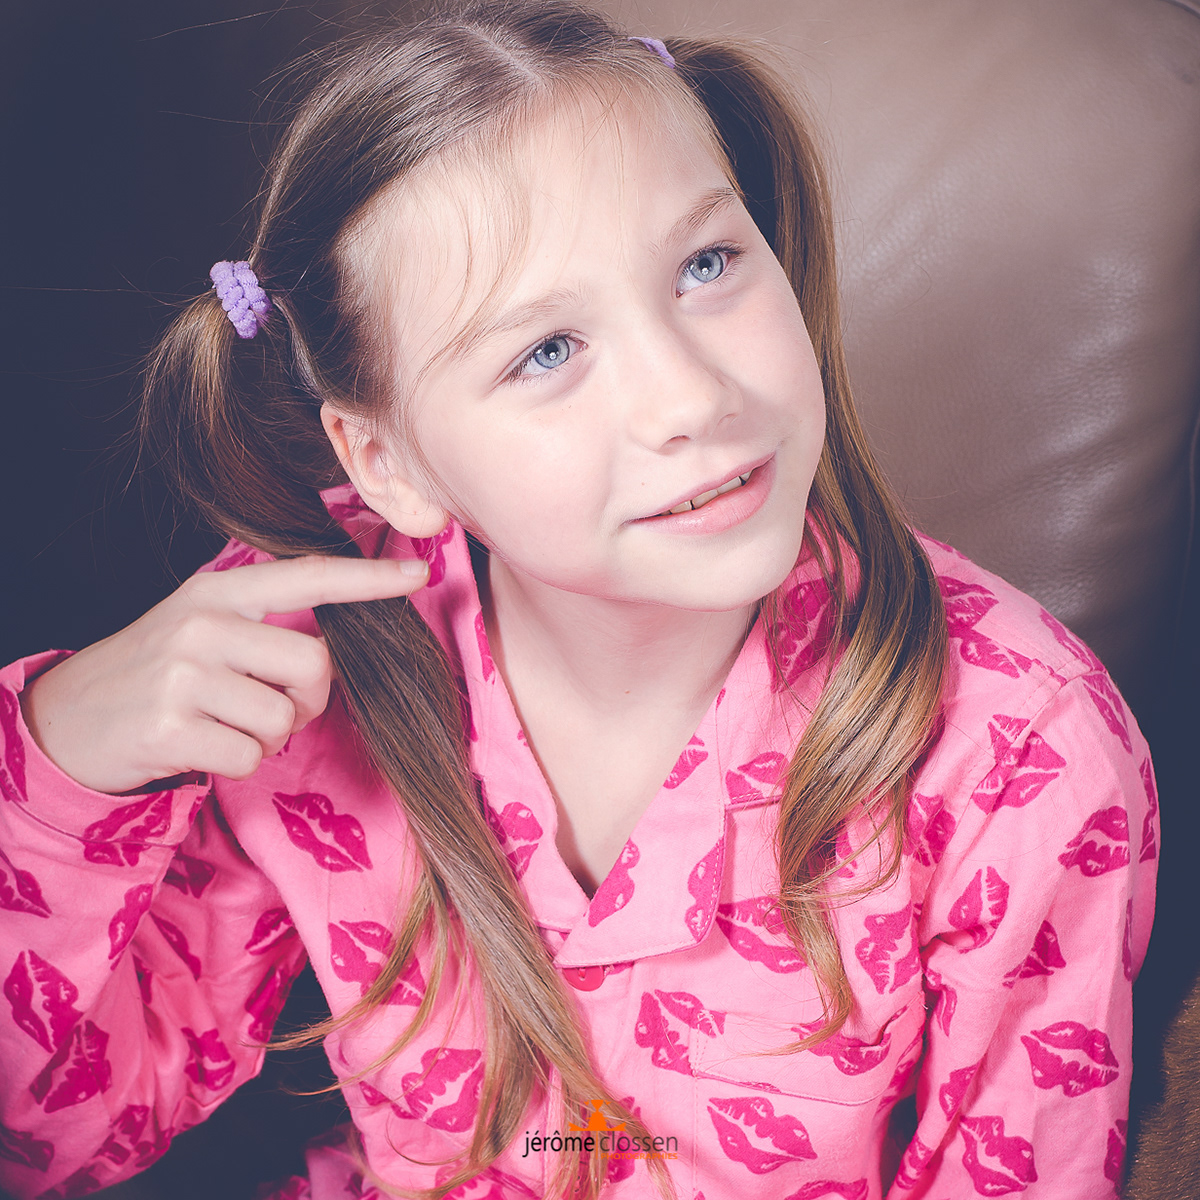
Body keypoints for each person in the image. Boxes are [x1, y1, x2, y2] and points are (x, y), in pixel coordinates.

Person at [0, 2, 1157, 1197]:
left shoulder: (1021, 746)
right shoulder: (302, 659)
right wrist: (61, 760)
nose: (689, 396)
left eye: (707, 265)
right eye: (546, 350)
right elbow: (59, 1138)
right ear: (384, 461)